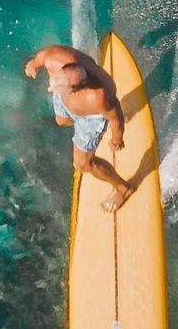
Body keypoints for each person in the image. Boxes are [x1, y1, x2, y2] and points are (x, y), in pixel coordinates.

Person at [24, 42, 137, 213]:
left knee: (82, 165)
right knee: (61, 120)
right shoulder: (54, 60)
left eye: (57, 85)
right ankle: (89, 133)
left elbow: (116, 118)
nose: (49, 88)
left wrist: (117, 139)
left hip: (91, 117)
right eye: (53, 80)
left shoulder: (99, 97)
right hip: (66, 100)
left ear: (76, 89)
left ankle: (123, 188)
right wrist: (32, 65)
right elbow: (40, 58)